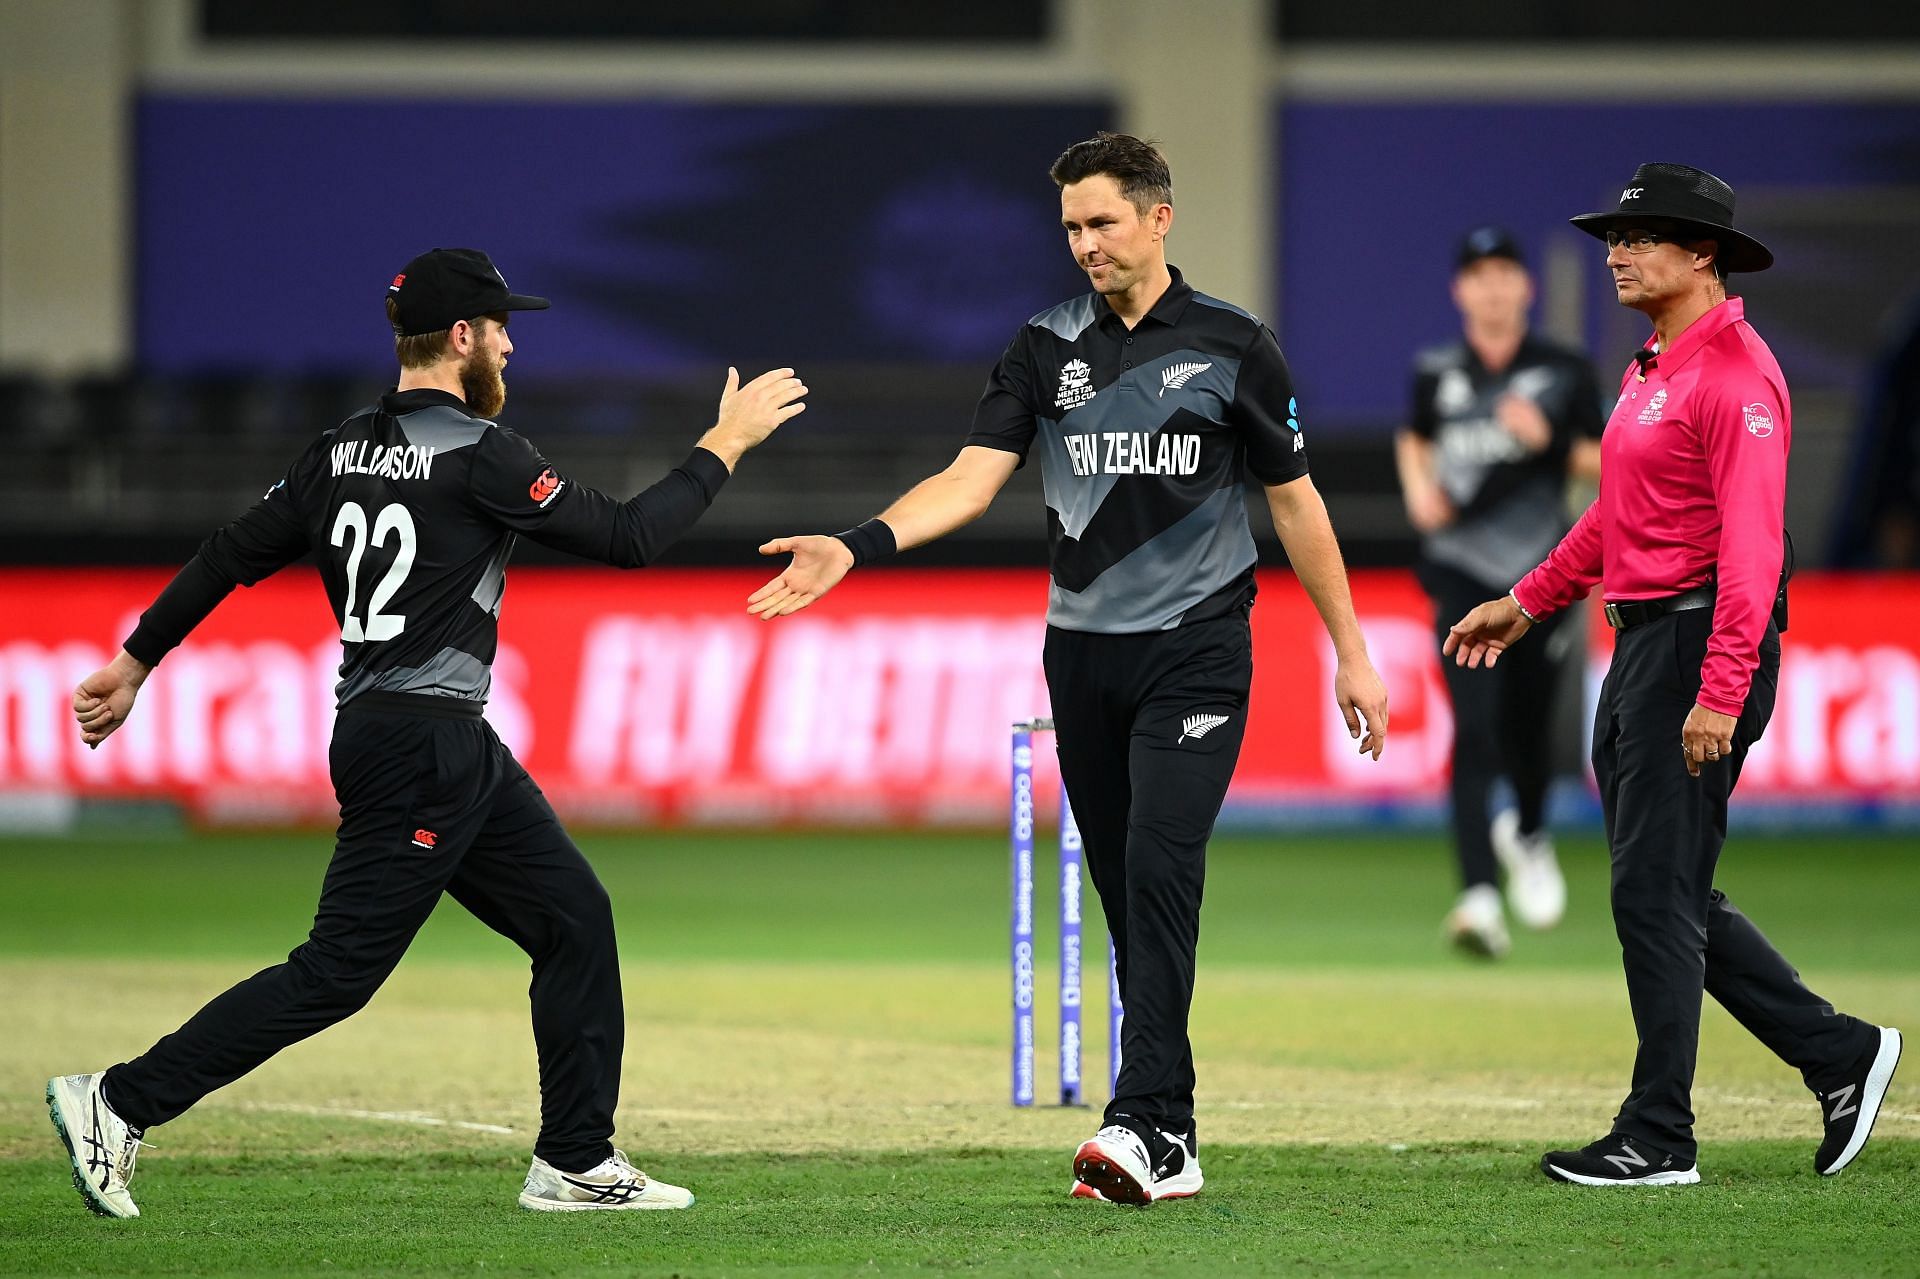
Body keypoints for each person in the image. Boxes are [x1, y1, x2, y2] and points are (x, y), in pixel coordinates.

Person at [49, 247, 808, 1217]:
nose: (510, 346)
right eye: (500, 329)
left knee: (575, 917)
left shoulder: (336, 450)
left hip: (423, 738)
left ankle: (573, 1158)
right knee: (334, 973)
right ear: (461, 338)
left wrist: (136, 658)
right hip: (422, 749)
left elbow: (229, 554)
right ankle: (116, 1100)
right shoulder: (483, 453)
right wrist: (725, 443)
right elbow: (628, 538)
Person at [745, 133, 1389, 1205]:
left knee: (1157, 869)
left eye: (1102, 223)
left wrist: (1353, 652)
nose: (1085, 245)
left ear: (1159, 217)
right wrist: (856, 545)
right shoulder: (1044, 346)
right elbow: (969, 478)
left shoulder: (1237, 345)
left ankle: (1138, 1123)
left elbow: (1296, 502)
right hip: (1081, 657)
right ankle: (1172, 1133)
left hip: (1199, 649)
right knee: (1127, 895)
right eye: (1072, 229)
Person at [1446, 165, 1902, 1186]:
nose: (1617, 251)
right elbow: (1616, 520)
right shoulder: (1656, 368)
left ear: (1703, 255)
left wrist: (1722, 689)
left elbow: (1750, 554)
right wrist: (1527, 602)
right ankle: (1841, 1053)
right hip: (1645, 647)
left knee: (1655, 894)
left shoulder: (1738, 377)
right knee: (1668, 890)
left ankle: (1660, 1134)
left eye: (1643, 236)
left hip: (1696, 648)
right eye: (1616, 236)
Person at [1396, 226, 1603, 958]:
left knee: (1528, 723)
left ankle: (1531, 832)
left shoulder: (1563, 367)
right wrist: (1420, 490)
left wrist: (1545, 438)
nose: (1491, 287)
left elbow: (1608, 455)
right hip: (1458, 566)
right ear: (1460, 290)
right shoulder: (1437, 368)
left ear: (1526, 287)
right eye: (1477, 274)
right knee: (1474, 724)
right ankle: (1478, 897)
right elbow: (1415, 436)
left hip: (1540, 572)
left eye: (1504, 273)